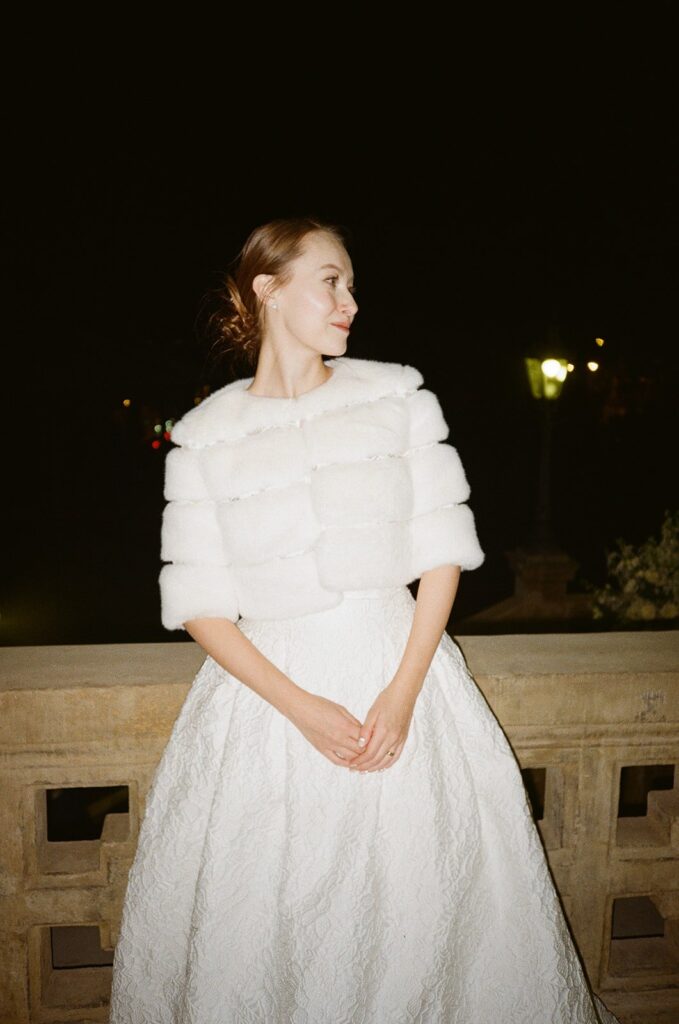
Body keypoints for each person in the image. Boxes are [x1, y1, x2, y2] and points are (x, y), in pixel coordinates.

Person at [109, 217, 620, 1023]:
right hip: (265, 707)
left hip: (403, 673)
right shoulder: (205, 436)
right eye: (330, 281)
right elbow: (200, 605)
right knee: (265, 930)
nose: (350, 301)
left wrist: (403, 692)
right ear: (267, 290)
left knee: (427, 917)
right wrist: (303, 708)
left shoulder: (394, 397)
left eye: (351, 284)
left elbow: (441, 556)